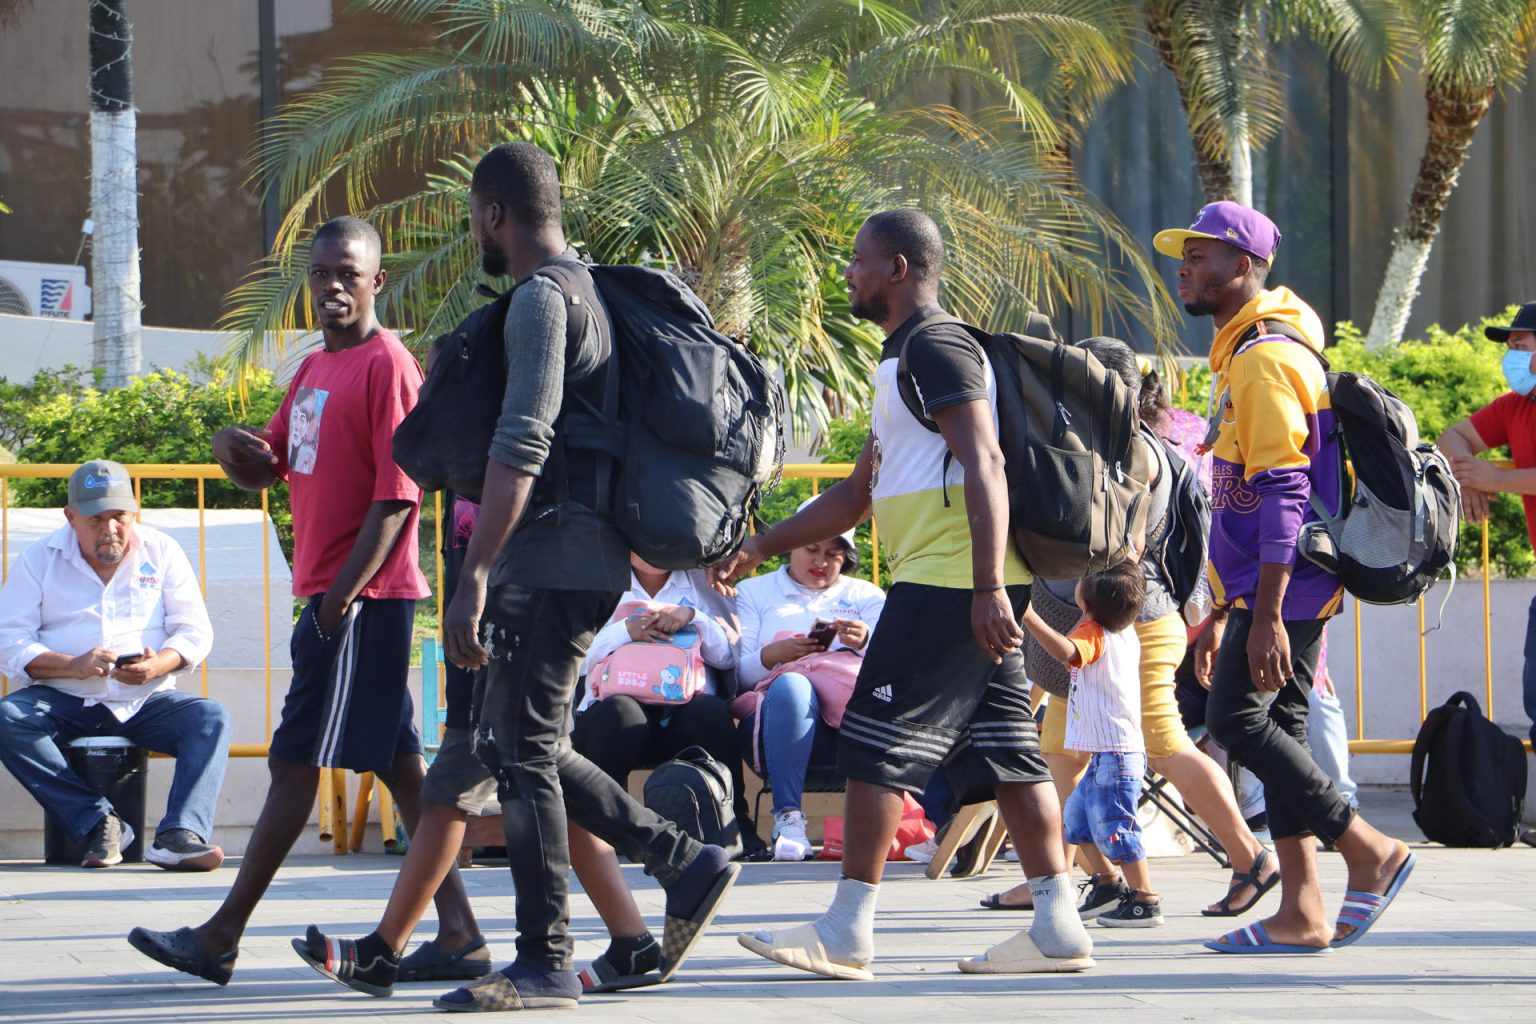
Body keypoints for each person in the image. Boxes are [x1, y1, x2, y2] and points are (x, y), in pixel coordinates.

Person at [306, 143, 738, 1013]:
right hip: (578, 555)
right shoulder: (590, 294)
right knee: (517, 746)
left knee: (526, 755)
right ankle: (682, 862)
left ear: (495, 213)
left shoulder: (545, 300)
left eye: (475, 217)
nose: (476, 232)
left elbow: (523, 441)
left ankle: (547, 958)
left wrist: (477, 573)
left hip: (547, 557)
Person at [716, 208, 1094, 978]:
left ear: (898, 268)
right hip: (961, 580)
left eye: (858, 260)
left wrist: (988, 587)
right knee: (1011, 754)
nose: (847, 273)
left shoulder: (937, 347)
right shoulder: (901, 363)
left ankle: (847, 929)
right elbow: (854, 499)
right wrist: (758, 545)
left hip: (953, 580)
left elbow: (985, 462)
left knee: (873, 745)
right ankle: (1058, 925)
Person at [127, 216, 441, 985]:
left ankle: (221, 935)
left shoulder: (387, 364)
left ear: (377, 281)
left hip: (361, 600)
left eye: (348, 273)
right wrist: (238, 457)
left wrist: (336, 605)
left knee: (294, 759)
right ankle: (459, 928)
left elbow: (398, 499)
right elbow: (274, 468)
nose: (333, 285)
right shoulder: (312, 370)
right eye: (322, 272)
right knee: (402, 765)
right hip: (336, 600)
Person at [1156, 201, 1414, 953]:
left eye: (1201, 257)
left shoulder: (1265, 357)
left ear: (1243, 267)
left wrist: (1262, 613)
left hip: (1288, 583)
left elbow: (1284, 487)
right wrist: (1231, 607)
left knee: (1238, 720)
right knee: (1282, 726)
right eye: (1185, 254)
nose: (1186, 267)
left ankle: (1369, 849)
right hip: (1270, 584)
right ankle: (1301, 912)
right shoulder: (1249, 348)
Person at [987, 340, 1273, 919]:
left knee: (1164, 742)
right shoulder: (1106, 446)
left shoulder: (1133, 453)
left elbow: (1128, 544)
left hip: (1131, 629)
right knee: (1058, 751)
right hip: (1098, 629)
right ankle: (1080, 877)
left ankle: (1252, 859)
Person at [0, 459, 225, 870]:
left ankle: (179, 835)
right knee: (8, 718)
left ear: (133, 511)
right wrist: (73, 665)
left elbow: (194, 630)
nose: (110, 529)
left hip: (144, 701)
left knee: (210, 718)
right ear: (70, 517)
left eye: (119, 516)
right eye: (95, 518)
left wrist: (160, 665)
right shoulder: (38, 557)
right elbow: (9, 640)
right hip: (63, 699)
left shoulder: (162, 550)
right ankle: (98, 821)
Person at [731, 500, 886, 861]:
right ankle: (788, 817)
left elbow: (894, 669)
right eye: (811, 549)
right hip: (778, 722)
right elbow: (737, 675)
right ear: (791, 547)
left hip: (854, 721)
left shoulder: (865, 595)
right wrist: (776, 655)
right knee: (792, 685)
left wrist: (864, 642)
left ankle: (924, 820)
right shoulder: (755, 593)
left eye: (833, 554)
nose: (821, 562)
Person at [572, 552, 749, 843]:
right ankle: (600, 834)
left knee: (711, 712)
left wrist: (694, 617)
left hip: (684, 711)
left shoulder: (705, 581)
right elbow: (574, 661)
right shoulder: (597, 579)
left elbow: (729, 660)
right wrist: (626, 631)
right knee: (620, 713)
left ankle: (735, 827)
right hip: (614, 714)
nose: (653, 549)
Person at [1021, 564, 1162, 926]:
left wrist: (1030, 616)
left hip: (1115, 756)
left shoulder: (1093, 631)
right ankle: (1106, 885)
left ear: (1084, 603)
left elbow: (1069, 652)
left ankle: (1145, 898)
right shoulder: (1124, 628)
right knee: (1075, 822)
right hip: (1109, 754)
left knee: (1117, 827)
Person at [1437, 301, 1536, 753]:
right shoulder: (1515, 406)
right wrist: (1467, 472)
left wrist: (1497, 479)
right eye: (1510, 345)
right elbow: (1452, 436)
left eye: (1521, 343)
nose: (1511, 353)